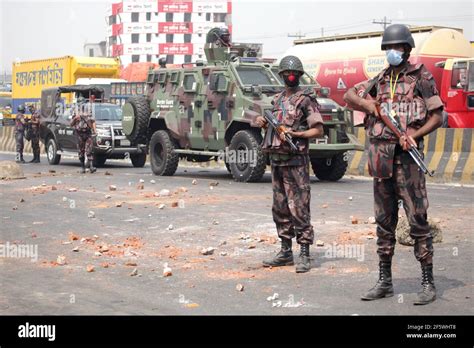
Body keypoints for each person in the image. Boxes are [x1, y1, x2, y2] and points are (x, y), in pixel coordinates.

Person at [343, 24, 444, 305]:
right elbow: (350, 95)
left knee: (418, 222)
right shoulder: (380, 78)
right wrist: (370, 106)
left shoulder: (421, 77)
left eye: (396, 48)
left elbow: (438, 116)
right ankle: (384, 281)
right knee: (384, 223)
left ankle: (427, 282)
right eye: (388, 48)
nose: (391, 52)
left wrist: (413, 134)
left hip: (408, 163)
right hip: (381, 161)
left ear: (407, 50)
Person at [256, 55, 324, 273]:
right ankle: (285, 251)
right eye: (286, 74)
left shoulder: (306, 99)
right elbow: (269, 125)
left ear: (300, 76)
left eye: (294, 74)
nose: (290, 77)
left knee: (300, 206)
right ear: (282, 75)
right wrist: (262, 122)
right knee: (280, 207)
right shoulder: (276, 100)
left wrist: (298, 133)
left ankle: (304, 253)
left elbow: (318, 129)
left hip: (296, 161)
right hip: (276, 161)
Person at [70, 97, 97, 173]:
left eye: (82, 103)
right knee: (81, 151)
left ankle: (91, 167)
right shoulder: (75, 112)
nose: (81, 105)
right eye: (80, 103)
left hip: (88, 133)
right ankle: (82, 167)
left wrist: (95, 131)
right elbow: (71, 124)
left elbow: (93, 121)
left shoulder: (89, 111)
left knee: (89, 150)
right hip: (79, 134)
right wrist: (75, 118)